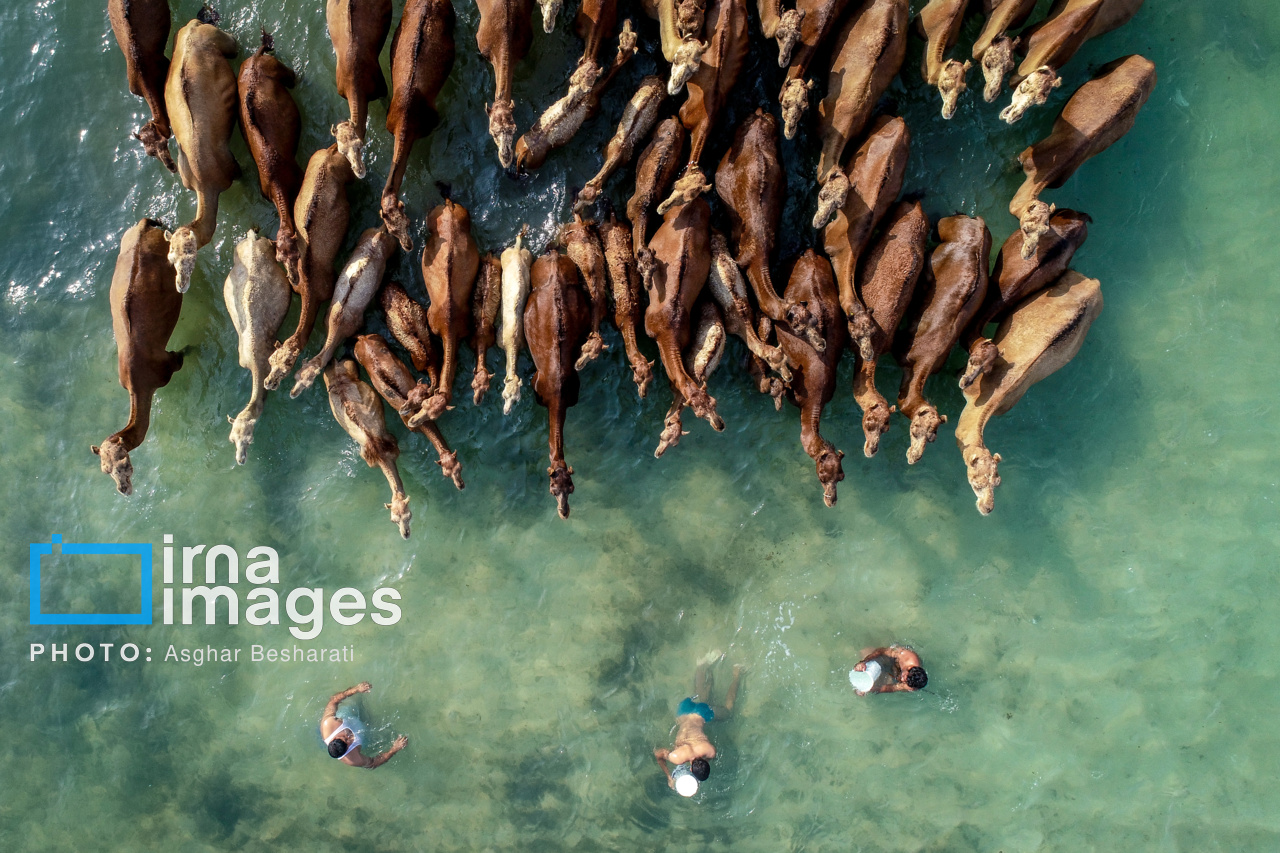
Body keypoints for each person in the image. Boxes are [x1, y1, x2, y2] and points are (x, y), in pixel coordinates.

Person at [653, 653, 742, 797]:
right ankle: (708, 668)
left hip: (698, 712)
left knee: (722, 708)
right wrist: (669, 776)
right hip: (682, 712)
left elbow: (658, 753)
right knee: (718, 707)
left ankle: (730, 672)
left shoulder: (710, 751)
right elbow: (659, 753)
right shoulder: (677, 757)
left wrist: (670, 776)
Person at [320, 681, 408, 769]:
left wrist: (356, 689)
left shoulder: (328, 725)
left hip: (349, 714)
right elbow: (374, 763)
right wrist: (394, 749)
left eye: (344, 737)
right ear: (346, 750)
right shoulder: (354, 759)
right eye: (348, 742)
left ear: (334, 738)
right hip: (364, 734)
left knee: (359, 702)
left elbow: (334, 701)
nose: (348, 737)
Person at [851, 645, 928, 696]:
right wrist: (863, 662)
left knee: (864, 690)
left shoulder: (911, 684)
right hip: (890, 659)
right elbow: (880, 651)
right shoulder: (903, 655)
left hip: (894, 671)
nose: (901, 679)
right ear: (909, 669)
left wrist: (869, 689)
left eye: (905, 682)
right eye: (904, 677)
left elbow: (892, 688)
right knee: (863, 651)